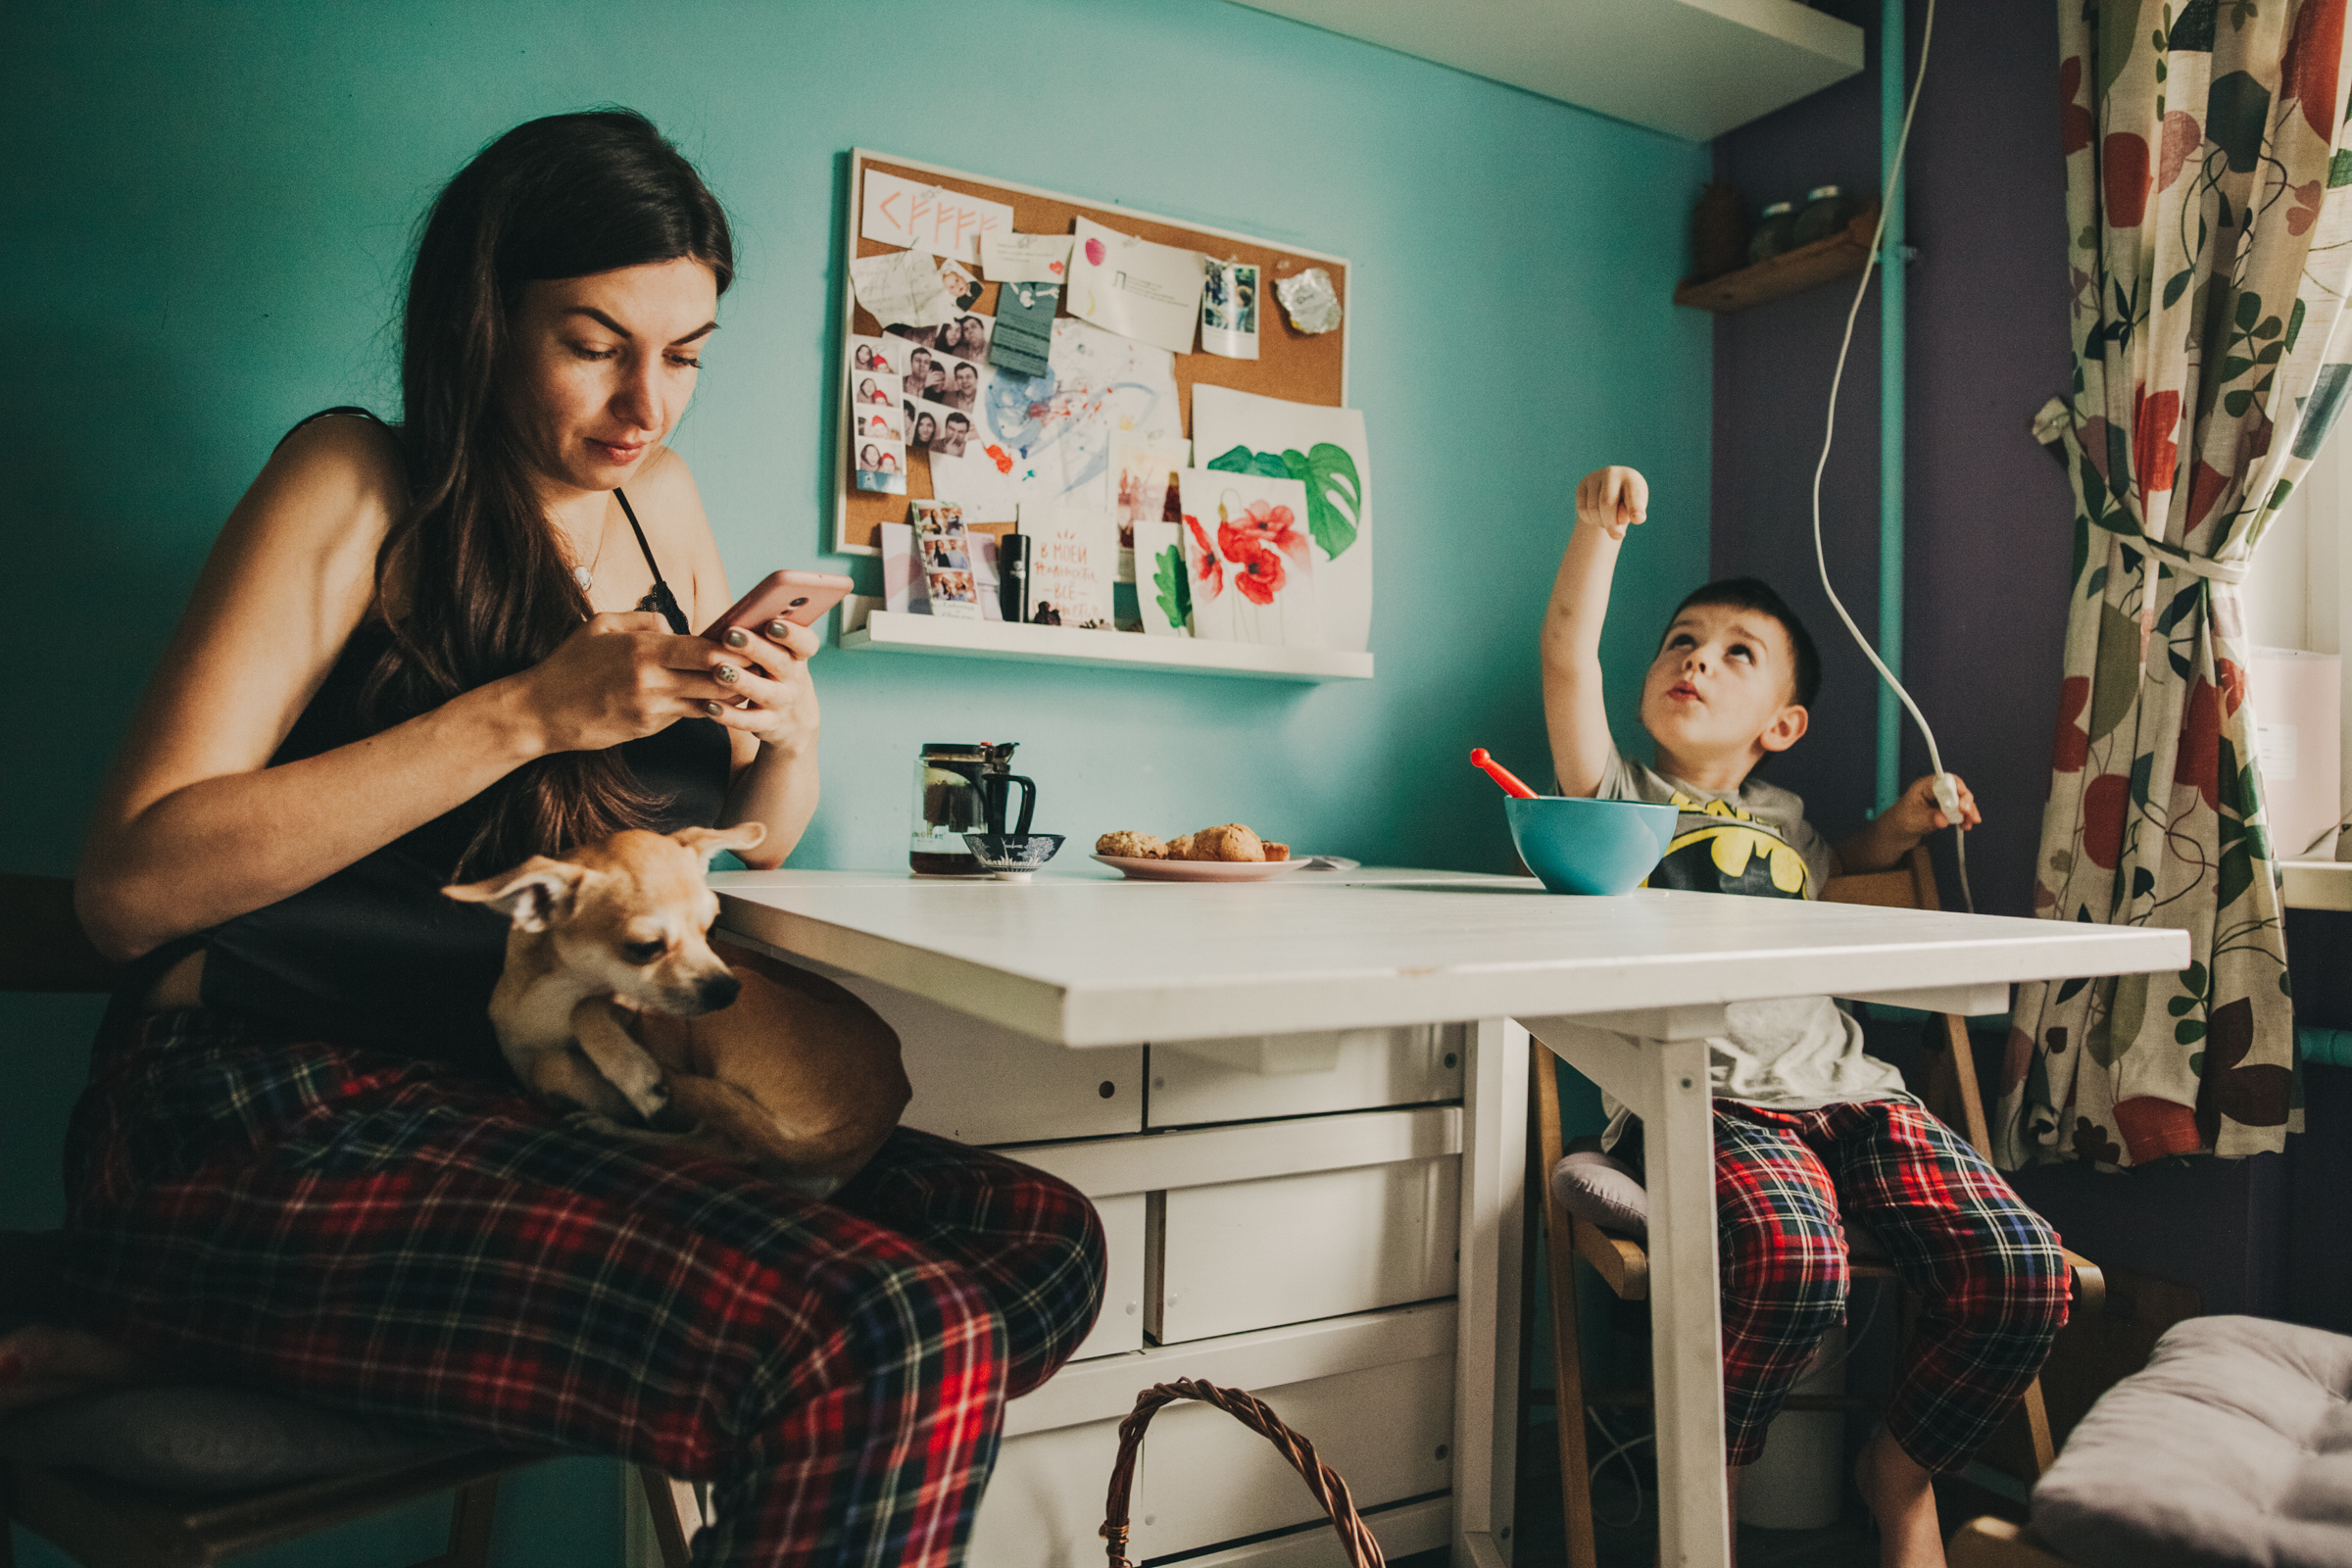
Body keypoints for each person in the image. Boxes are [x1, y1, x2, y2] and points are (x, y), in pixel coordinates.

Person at [35, 110, 1102, 1566]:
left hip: (527, 1107)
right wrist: (525, 713)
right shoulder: (355, 480)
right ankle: (185, 1300)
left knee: (1035, 1235)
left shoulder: (657, 508)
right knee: (887, 1331)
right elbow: (128, 890)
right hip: (262, 1113)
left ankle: (247, 1340)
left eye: (686, 354)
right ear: (483, 324)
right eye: (594, 343)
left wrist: (786, 734)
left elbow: (746, 850)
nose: (645, 406)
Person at [1542, 465, 2063, 1568]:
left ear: (1783, 722)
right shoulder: (1617, 801)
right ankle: (1708, 1485)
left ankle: (1901, 1472)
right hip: (1715, 1102)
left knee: (2025, 1269)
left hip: (1855, 1096)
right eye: (1680, 641)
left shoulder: (1789, 824)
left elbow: (1845, 865)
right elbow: (1566, 660)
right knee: (1791, 1257)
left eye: (1736, 652)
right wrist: (1598, 536)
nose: (1696, 658)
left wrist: (1901, 824)